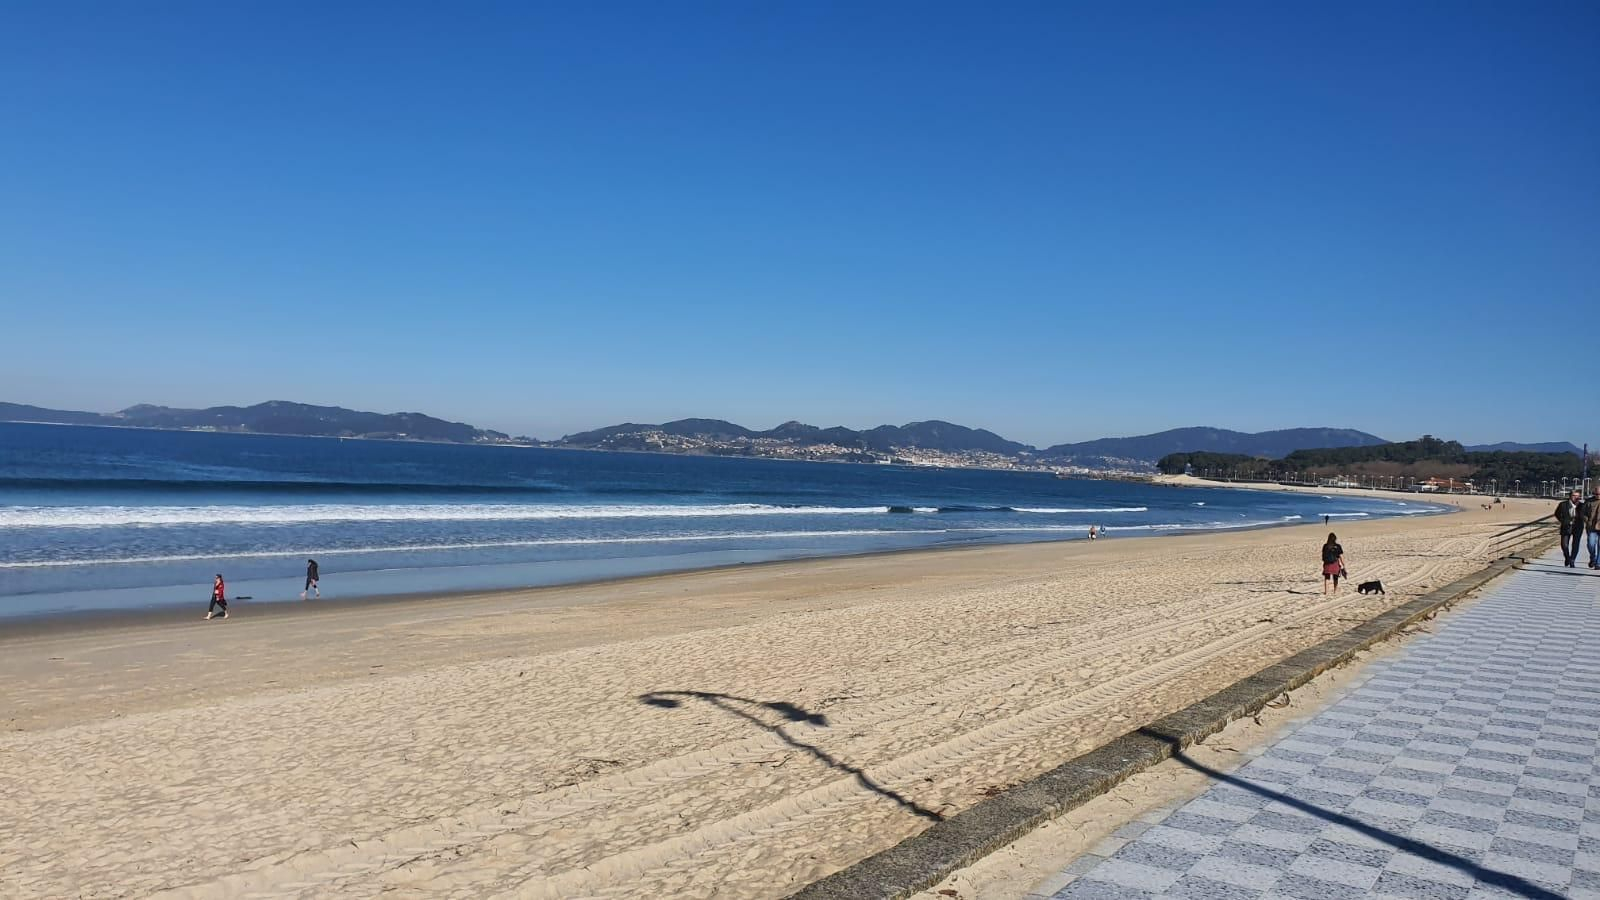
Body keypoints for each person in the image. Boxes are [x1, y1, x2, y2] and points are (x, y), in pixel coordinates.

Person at [1555, 490, 1584, 567]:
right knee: (1564, 545)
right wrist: (1562, 521)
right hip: (1566, 526)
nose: (1576, 497)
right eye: (1574, 495)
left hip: (1578, 527)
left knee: (1575, 544)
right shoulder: (1563, 504)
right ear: (1570, 496)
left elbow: (1585, 515)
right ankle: (1567, 557)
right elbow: (1557, 513)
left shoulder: (1582, 505)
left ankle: (1572, 560)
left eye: (1578, 496)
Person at [1584, 487, 1600, 570]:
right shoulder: (1589, 502)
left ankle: (1598, 563)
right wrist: (1587, 521)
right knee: (1591, 544)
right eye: (1597, 494)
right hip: (1591, 527)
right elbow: (1583, 513)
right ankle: (1593, 557)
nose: (1598, 495)